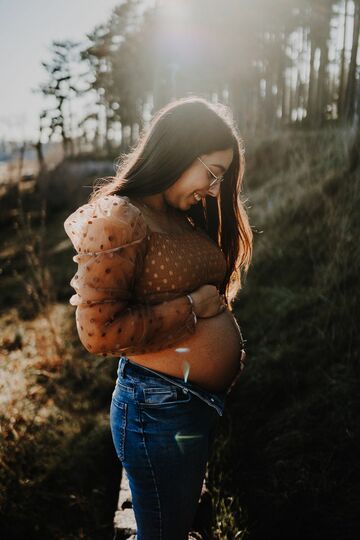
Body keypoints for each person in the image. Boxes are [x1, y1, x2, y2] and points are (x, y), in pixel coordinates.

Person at [64, 96, 253, 539]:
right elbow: (98, 332)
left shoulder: (178, 215)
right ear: (179, 150)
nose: (212, 189)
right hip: (157, 411)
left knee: (178, 523)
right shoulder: (119, 218)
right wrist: (189, 311)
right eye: (212, 174)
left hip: (187, 408)